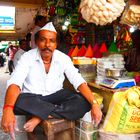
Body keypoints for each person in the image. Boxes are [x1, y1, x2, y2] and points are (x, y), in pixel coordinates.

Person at [1, 22, 102, 134]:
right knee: (15, 102)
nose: (47, 44)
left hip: (56, 96)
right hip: (33, 98)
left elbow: (78, 81)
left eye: (52, 41)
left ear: (56, 44)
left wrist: (94, 103)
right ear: (37, 42)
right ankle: (54, 111)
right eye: (43, 40)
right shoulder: (27, 57)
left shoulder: (63, 58)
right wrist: (7, 109)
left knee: (84, 101)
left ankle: (40, 116)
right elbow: (15, 82)